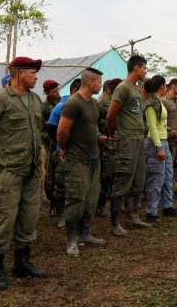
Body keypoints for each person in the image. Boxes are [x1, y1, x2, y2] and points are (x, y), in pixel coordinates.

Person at [0, 56, 47, 289]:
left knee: (29, 218)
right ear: (18, 73)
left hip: (31, 170)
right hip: (8, 170)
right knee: (4, 218)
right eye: (32, 72)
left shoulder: (35, 100)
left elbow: (38, 131)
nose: (36, 76)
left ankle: (22, 263)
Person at [56, 68, 106, 256]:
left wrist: (99, 136)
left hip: (93, 158)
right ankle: (71, 240)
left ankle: (85, 233)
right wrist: (65, 148)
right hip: (77, 159)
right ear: (90, 82)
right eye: (99, 82)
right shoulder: (73, 103)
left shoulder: (93, 104)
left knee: (91, 199)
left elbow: (91, 128)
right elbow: (62, 132)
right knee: (76, 199)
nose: (101, 85)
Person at [106, 55, 150, 236]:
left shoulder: (136, 89)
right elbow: (111, 116)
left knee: (139, 180)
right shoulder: (123, 88)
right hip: (126, 140)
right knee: (122, 180)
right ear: (137, 68)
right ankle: (115, 225)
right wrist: (112, 136)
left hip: (139, 139)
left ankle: (134, 216)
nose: (146, 72)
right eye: (144, 68)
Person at [143, 75, 177, 221]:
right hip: (155, 143)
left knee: (168, 175)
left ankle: (167, 206)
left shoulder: (158, 102)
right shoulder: (151, 103)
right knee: (157, 178)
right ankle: (151, 211)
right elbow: (152, 126)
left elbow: (160, 123)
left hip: (163, 141)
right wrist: (159, 147)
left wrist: (169, 130)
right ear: (162, 86)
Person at [46, 79, 81, 223]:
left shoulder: (74, 104)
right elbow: (51, 129)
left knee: (69, 183)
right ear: (74, 91)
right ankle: (58, 212)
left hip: (73, 151)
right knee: (60, 183)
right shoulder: (63, 106)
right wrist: (62, 146)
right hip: (62, 151)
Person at [96, 78, 122, 217]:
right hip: (104, 145)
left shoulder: (116, 103)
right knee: (106, 175)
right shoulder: (100, 103)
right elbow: (94, 123)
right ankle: (100, 206)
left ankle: (108, 203)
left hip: (115, 143)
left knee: (113, 174)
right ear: (109, 90)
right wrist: (99, 135)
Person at [161, 78, 177, 194]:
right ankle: (168, 186)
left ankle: (174, 182)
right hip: (170, 140)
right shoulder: (164, 101)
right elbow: (160, 122)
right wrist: (169, 131)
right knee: (168, 164)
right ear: (173, 86)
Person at [41, 79, 61, 214]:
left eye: (58, 90)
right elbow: (40, 129)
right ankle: (52, 203)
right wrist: (49, 138)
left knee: (61, 174)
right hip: (51, 145)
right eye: (54, 91)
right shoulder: (43, 108)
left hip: (63, 143)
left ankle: (60, 202)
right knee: (50, 175)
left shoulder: (63, 103)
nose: (57, 93)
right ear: (47, 93)